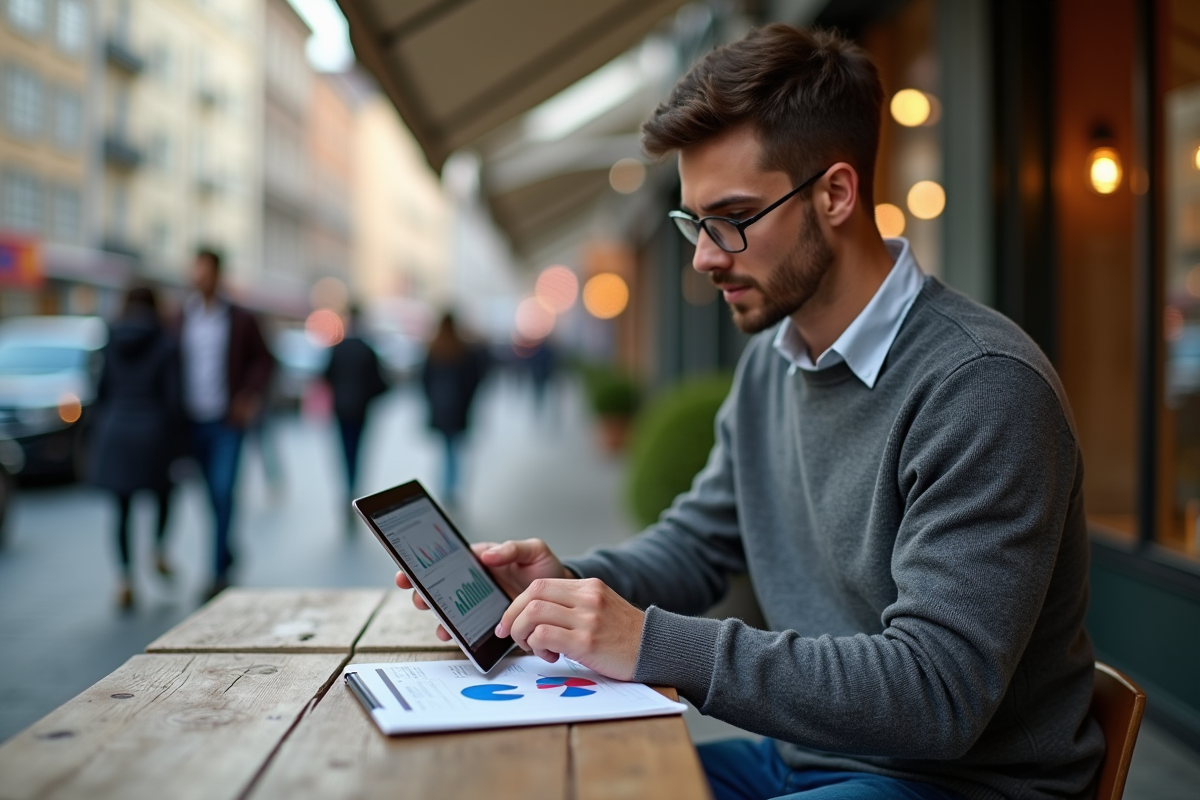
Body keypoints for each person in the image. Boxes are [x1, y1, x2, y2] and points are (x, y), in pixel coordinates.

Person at [397, 24, 1103, 800]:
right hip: (809, 759)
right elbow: (699, 546)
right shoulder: (775, 359)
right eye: (694, 222)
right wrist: (563, 589)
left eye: (731, 217)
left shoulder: (982, 387)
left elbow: (936, 694)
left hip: (961, 784)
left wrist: (651, 644)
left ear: (836, 194)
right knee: (553, 785)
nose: (704, 256)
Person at [178, 248, 275, 599]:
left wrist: (248, 396)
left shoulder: (239, 318)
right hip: (192, 421)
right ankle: (227, 549)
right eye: (195, 269)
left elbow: (264, 360)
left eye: (205, 270)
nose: (198, 276)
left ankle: (217, 572)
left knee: (222, 490)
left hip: (226, 422)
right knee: (210, 496)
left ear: (217, 274)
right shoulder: (181, 316)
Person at [89, 286, 182, 609]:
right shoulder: (165, 341)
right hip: (153, 431)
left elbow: (101, 389)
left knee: (121, 509)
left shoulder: (111, 339)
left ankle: (125, 579)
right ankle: (157, 548)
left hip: (116, 428)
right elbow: (172, 398)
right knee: (165, 494)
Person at [324, 304, 388, 522]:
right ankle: (354, 490)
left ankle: (347, 489)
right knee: (358, 451)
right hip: (361, 409)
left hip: (341, 409)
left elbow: (326, 376)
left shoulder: (338, 348)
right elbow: (381, 383)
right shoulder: (367, 349)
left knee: (345, 451)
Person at [420, 313, 485, 509]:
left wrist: (431, 401)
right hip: (458, 408)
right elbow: (474, 380)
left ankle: (444, 488)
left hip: (440, 408)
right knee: (454, 451)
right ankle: (451, 490)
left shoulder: (433, 348)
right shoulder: (463, 349)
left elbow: (424, 381)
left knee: (444, 450)